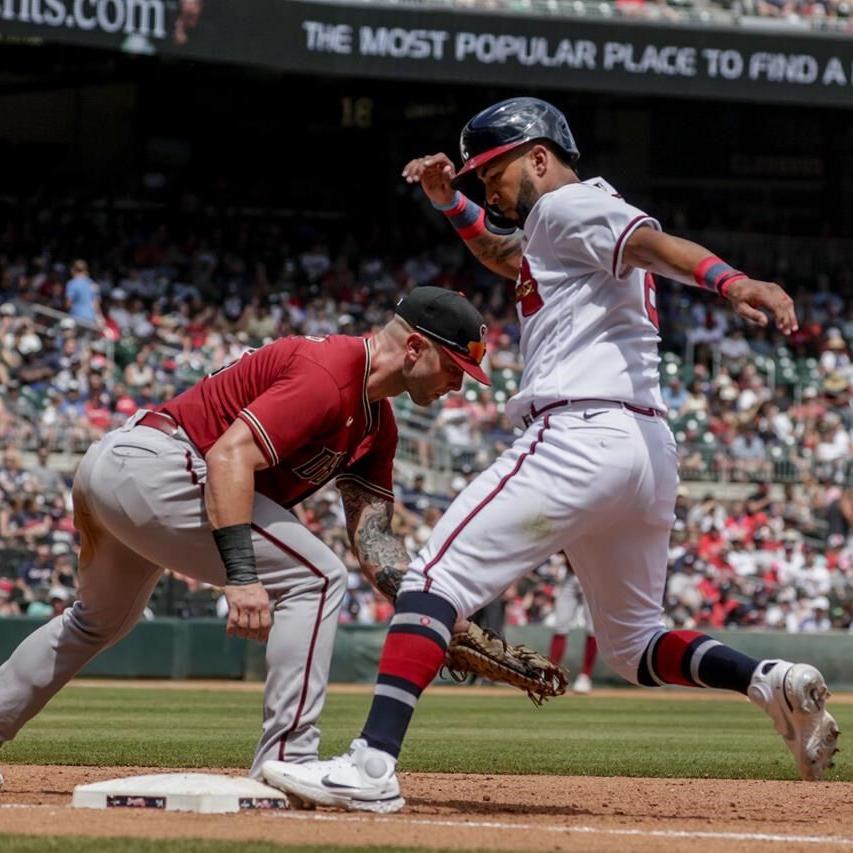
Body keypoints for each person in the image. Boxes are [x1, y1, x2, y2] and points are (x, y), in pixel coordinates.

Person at [261, 97, 839, 813]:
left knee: (435, 574)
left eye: (491, 174)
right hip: (645, 450)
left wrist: (733, 281)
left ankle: (371, 764)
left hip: (579, 432)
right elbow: (507, 255)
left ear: (538, 156)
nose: (486, 190)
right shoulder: (553, 231)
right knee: (633, 645)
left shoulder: (569, 206)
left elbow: (653, 245)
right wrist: (451, 206)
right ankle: (768, 681)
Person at [0, 287, 489, 783]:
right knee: (317, 579)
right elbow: (228, 456)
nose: (458, 386)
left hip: (126, 469)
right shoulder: (331, 371)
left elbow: (375, 543)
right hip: (163, 464)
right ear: (414, 348)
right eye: (454, 368)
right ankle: (288, 761)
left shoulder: (378, 427)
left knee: (94, 623)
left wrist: (443, 619)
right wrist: (243, 576)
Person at [548, 560, 597, 695]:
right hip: (570, 574)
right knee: (560, 626)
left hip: (594, 574)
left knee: (592, 628)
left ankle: (585, 676)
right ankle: (552, 674)